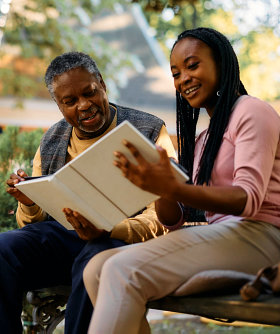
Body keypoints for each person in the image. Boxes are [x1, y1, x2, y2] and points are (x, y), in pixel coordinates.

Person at [83, 27, 280, 334]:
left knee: (120, 269)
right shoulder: (204, 138)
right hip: (225, 237)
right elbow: (174, 220)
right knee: (96, 268)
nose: (183, 80)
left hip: (262, 238)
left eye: (192, 66)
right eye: (176, 74)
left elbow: (248, 199)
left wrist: (174, 187)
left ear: (221, 62)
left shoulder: (252, 111)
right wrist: (158, 190)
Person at [2, 51, 177, 334]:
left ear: (103, 84)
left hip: (119, 243)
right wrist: (30, 203)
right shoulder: (51, 140)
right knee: (3, 248)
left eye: (90, 93)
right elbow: (31, 226)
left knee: (94, 259)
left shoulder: (148, 130)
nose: (84, 105)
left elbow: (164, 220)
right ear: (58, 105)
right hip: (65, 242)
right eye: (69, 101)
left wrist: (109, 230)